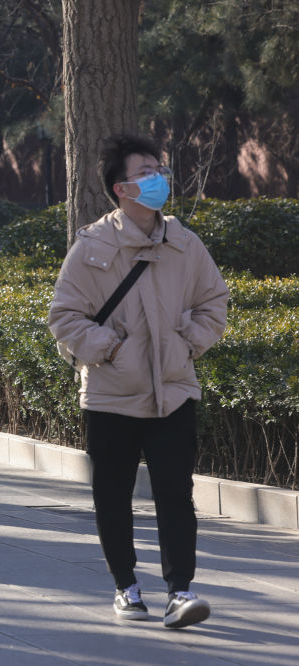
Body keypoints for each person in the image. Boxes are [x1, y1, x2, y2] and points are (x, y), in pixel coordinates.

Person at [49, 133, 228, 630]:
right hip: (111, 393)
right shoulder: (91, 247)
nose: (158, 180)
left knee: (176, 492)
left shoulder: (184, 242)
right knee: (113, 493)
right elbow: (65, 316)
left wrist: (185, 342)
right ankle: (126, 587)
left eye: (159, 170)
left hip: (173, 388)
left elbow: (215, 301)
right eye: (146, 173)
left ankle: (180, 591)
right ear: (121, 188)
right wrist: (111, 350)